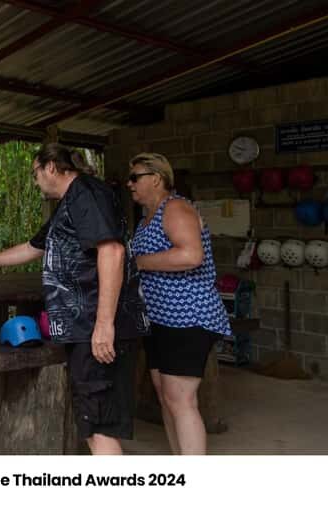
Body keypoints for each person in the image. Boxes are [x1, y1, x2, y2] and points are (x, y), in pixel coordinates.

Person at [0, 144, 149, 455]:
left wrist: (104, 325)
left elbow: (112, 251)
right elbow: (32, 248)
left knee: (98, 425)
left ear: (51, 167)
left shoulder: (86, 194)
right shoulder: (70, 203)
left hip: (96, 325)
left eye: (35, 173)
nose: (35, 181)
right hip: (84, 327)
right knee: (92, 419)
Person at [127, 152, 231, 455]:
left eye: (135, 177)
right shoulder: (149, 216)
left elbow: (190, 255)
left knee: (180, 399)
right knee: (166, 396)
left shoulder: (175, 208)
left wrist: (137, 262)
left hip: (188, 317)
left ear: (156, 178)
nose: (129, 184)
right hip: (161, 318)